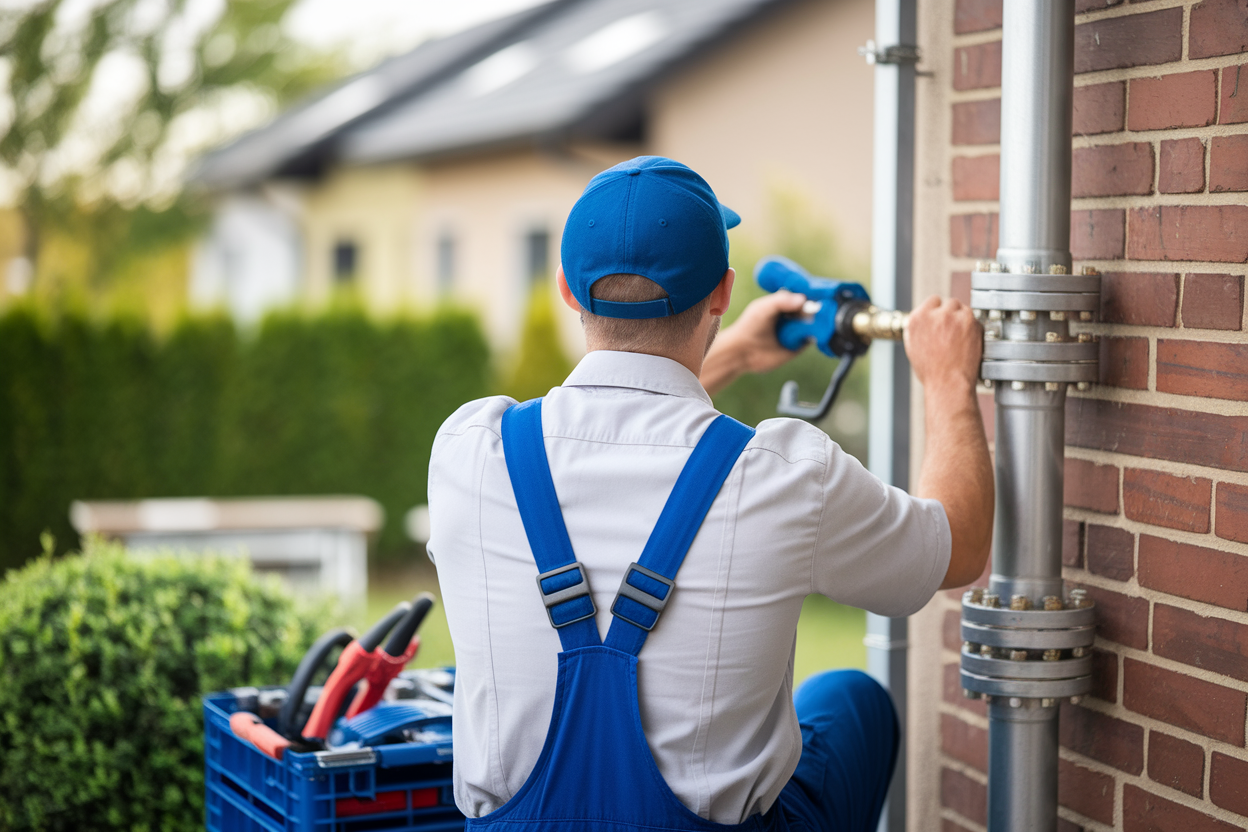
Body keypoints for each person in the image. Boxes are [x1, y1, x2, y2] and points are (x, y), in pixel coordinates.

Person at [427, 156, 993, 831]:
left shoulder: (470, 451)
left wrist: (740, 354)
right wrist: (948, 380)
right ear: (722, 292)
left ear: (567, 290)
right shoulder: (786, 475)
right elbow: (959, 548)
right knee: (852, 700)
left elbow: (621, 430)